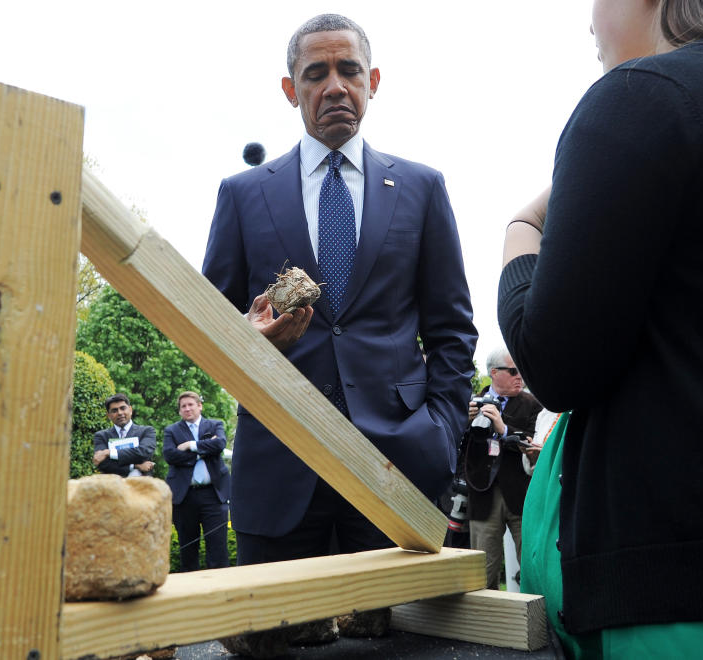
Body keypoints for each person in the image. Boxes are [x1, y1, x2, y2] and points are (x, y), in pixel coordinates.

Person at [499, 0, 703, 654]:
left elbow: (554, 361)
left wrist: (522, 228)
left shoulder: (647, 97)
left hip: (688, 593)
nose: (588, 18)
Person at [202, 13, 477, 566]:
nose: (334, 87)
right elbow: (210, 325)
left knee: (399, 647)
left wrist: (443, 429)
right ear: (290, 89)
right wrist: (251, 341)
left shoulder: (422, 188)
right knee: (271, 640)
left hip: (397, 465)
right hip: (278, 458)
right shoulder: (243, 194)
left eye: (349, 70)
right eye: (315, 73)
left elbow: (451, 328)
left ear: (373, 82)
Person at [462, 349, 541, 590]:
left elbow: (535, 442)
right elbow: (455, 447)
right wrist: (463, 422)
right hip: (483, 495)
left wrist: (503, 428)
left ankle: (538, 624)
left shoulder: (532, 405)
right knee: (483, 573)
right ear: (494, 373)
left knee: (531, 566)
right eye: (514, 371)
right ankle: (487, 625)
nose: (520, 377)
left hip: (521, 495)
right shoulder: (472, 403)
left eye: (522, 371)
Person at [163, 391, 230, 571]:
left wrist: (190, 446)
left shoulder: (215, 424)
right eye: (183, 406)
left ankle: (222, 590)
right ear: (179, 411)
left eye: (190, 404)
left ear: (199, 406)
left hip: (214, 495)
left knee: (218, 548)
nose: (187, 409)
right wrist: (203, 451)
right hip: (185, 497)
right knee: (188, 549)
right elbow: (170, 455)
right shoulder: (172, 430)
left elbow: (220, 444)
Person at [92, 394, 156, 478]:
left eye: (123, 408)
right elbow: (103, 464)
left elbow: (143, 453)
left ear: (130, 409)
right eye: (114, 410)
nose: (120, 413)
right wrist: (135, 466)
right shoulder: (101, 436)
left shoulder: (147, 431)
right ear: (109, 415)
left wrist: (109, 452)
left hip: (141, 486)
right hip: (112, 486)